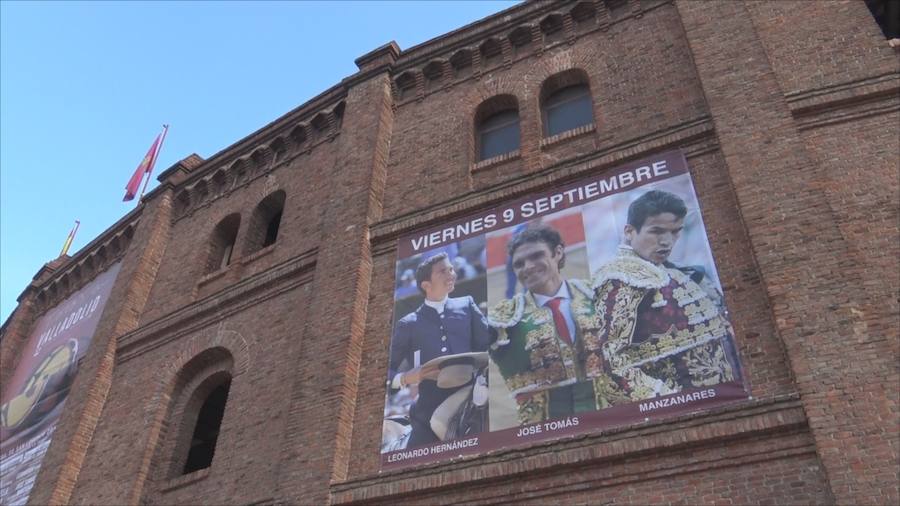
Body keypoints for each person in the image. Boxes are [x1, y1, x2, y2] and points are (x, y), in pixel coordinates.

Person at [591, 190, 741, 402]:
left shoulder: (681, 273)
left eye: (675, 232)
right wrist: (666, 400)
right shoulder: (620, 278)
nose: (666, 242)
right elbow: (607, 359)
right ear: (629, 231)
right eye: (656, 231)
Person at [488, 225, 625, 426]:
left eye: (536, 256)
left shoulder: (598, 294)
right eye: (519, 264)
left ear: (558, 253)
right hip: (547, 432)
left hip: (616, 418)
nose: (527, 267)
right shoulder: (503, 318)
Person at [387, 252, 490, 447]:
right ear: (426, 285)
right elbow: (386, 372)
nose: (451, 273)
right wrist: (406, 378)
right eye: (443, 271)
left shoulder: (467, 304)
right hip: (429, 406)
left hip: (473, 389)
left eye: (451, 269)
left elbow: (488, 343)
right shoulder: (408, 323)